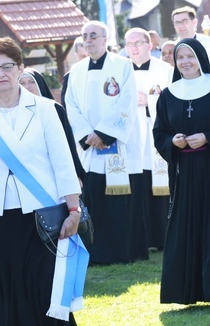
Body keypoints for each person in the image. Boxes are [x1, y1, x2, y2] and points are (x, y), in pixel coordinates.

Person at [0, 37, 86, 324]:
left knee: (46, 291)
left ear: (20, 68)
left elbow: (63, 164)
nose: (1, 75)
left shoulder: (46, 109)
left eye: (7, 67)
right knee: (7, 292)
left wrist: (74, 210)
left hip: (44, 216)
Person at [152, 39, 210, 311]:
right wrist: (173, 142)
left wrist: (208, 137)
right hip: (186, 172)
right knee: (186, 227)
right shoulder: (169, 94)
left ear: (200, 58)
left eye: (190, 56)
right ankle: (186, 290)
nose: (185, 62)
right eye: (180, 57)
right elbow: (160, 133)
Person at [65, 21, 146, 264]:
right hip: (89, 146)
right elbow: (71, 106)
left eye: (93, 36)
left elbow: (127, 101)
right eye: (84, 36)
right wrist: (88, 135)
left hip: (116, 144)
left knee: (118, 203)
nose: (88, 40)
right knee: (94, 200)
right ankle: (95, 251)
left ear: (104, 39)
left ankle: (122, 251)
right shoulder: (76, 70)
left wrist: (104, 133)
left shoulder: (122, 66)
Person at [124, 28, 173, 250]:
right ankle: (140, 238)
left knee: (159, 186)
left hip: (155, 132)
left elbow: (172, 99)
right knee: (138, 184)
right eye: (129, 44)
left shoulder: (166, 70)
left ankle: (162, 236)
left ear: (149, 45)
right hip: (131, 135)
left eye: (138, 43)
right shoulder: (121, 70)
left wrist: (149, 100)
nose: (134, 48)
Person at [19, 68, 87, 183]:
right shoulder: (15, 111)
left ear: (39, 84)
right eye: (22, 83)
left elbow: (67, 143)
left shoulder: (54, 108)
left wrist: (75, 173)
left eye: (31, 82)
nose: (28, 86)